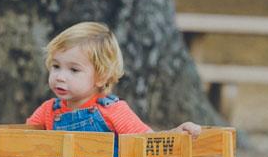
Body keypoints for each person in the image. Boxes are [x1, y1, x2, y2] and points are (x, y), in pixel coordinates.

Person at [27, 22, 202, 139]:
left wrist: (176, 134)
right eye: (56, 66)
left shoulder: (112, 110)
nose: (60, 77)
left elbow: (148, 141)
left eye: (74, 70)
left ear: (102, 76)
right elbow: (20, 141)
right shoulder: (48, 111)